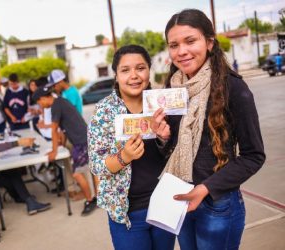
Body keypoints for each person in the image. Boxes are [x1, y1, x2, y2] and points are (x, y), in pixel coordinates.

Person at [151, 9, 265, 249]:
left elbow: (254, 156)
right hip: (180, 200)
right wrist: (163, 138)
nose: (181, 51)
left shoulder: (233, 88)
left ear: (210, 42)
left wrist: (206, 188)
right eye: (173, 45)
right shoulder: (172, 92)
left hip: (218, 204)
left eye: (190, 41)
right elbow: (173, 151)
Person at [87, 45, 176, 250]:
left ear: (149, 70)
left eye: (140, 68)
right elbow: (97, 166)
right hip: (128, 213)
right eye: (125, 70)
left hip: (164, 205)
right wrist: (124, 156)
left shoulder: (163, 104)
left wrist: (165, 139)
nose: (134, 76)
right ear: (116, 76)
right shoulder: (104, 112)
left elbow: (181, 153)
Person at [33, 86, 97, 216]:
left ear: (43, 98)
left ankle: (90, 200)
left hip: (81, 142)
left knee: (77, 174)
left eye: (39, 103)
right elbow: (64, 128)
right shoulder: (60, 101)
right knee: (93, 171)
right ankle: (98, 198)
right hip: (85, 138)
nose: (40, 106)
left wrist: (54, 151)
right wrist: (60, 144)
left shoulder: (56, 105)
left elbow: (54, 128)